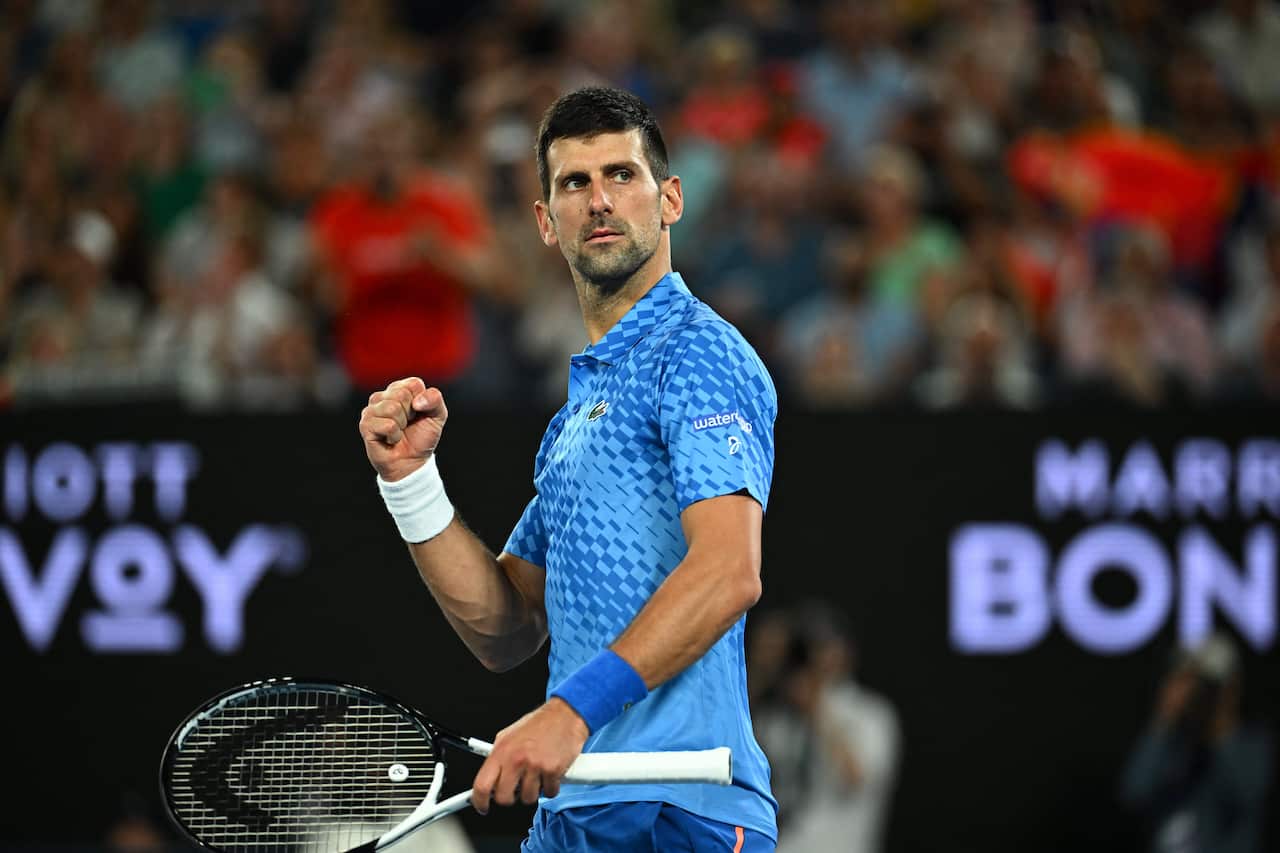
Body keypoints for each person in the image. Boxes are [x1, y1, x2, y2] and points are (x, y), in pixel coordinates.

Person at [358, 86, 779, 851]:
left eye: (622, 174)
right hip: (575, 812)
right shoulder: (574, 420)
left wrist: (572, 711)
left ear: (671, 199)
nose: (601, 200)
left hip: (677, 806)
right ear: (547, 223)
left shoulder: (699, 352)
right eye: (575, 183)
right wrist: (410, 483)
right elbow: (509, 626)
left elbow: (729, 570)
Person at [753, 604, 900, 853]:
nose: (817, 660)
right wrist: (763, 669)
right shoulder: (778, 719)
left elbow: (856, 778)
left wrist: (817, 710)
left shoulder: (870, 714)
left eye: (824, 647)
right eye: (808, 650)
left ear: (845, 651)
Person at [1119, 632, 1273, 853]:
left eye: (1206, 685)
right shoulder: (1171, 744)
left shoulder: (1253, 743)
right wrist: (1163, 718)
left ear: (1230, 689)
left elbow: (1245, 794)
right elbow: (1133, 792)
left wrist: (1221, 725)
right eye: (1190, 682)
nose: (1197, 694)